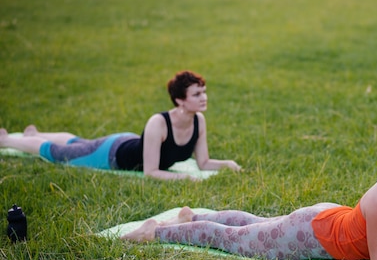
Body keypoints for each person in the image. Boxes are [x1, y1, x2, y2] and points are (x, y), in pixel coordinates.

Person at [122, 120, 377, 260]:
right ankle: (155, 231)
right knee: (234, 240)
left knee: (258, 225)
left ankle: (191, 216)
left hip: (328, 217)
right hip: (310, 235)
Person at [0, 70, 241, 181]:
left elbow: (203, 163)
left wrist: (227, 164)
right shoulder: (159, 122)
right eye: (197, 94)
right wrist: (185, 180)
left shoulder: (199, 120)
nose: (204, 97)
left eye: (204, 92)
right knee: (57, 153)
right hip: (111, 154)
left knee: (78, 143)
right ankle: (8, 140)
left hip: (126, 142)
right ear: (180, 100)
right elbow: (151, 172)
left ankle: (36, 133)